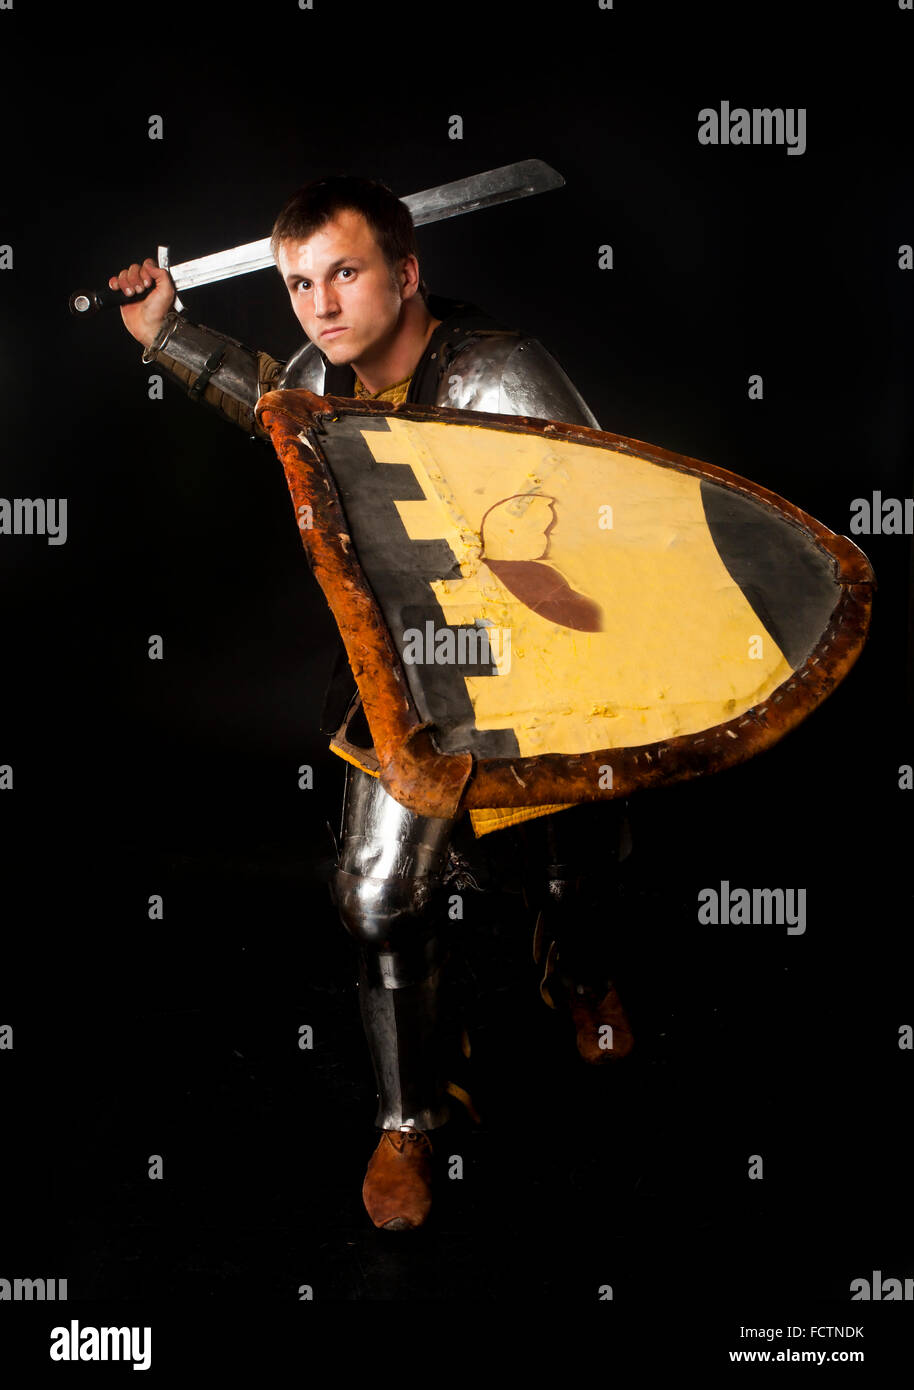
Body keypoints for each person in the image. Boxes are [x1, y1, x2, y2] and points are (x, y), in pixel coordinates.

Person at [108, 175, 635, 1232]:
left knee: (569, 861)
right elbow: (270, 404)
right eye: (299, 283)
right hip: (406, 677)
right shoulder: (319, 372)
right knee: (377, 900)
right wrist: (163, 334)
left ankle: (576, 982)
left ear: (404, 272)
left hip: (544, 663)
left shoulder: (499, 371)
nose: (321, 305)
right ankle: (413, 1117)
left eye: (343, 273)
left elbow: (610, 515)